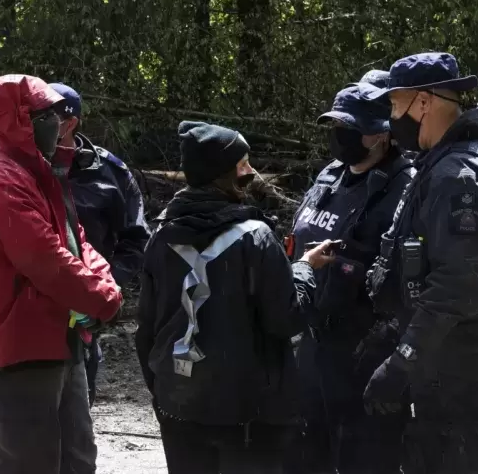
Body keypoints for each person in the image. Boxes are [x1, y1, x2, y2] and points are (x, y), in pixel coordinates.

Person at [0, 83, 152, 474]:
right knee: (28, 460)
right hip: (24, 343)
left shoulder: (45, 172)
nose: (57, 124)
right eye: (47, 116)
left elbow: (78, 241)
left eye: (59, 116)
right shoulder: (4, 177)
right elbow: (45, 258)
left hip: (64, 339)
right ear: (22, 122)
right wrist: (104, 299)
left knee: (77, 456)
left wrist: (108, 288)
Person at [135, 121, 333, 474]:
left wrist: (163, 390)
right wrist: (304, 269)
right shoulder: (255, 237)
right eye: (243, 165)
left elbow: (146, 329)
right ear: (220, 173)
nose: (251, 172)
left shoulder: (160, 234)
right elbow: (286, 318)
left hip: (178, 406)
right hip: (247, 416)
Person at [364, 52, 478, 474]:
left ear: (423, 103)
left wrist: (402, 361)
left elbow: (456, 286)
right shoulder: (462, 155)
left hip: (463, 357)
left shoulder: (459, 174)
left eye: (395, 105)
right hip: (457, 351)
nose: (391, 117)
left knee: (446, 458)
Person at [287, 83, 413, 474]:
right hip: (313, 343)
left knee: (365, 457)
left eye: (351, 126)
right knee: (305, 454)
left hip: (367, 349)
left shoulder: (408, 187)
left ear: (382, 133)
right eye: (336, 124)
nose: (340, 135)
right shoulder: (330, 176)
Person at [50, 82, 150, 405]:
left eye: (46, 118)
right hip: (33, 312)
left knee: (78, 413)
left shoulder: (110, 173)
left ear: (70, 123)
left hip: (85, 315)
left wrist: (104, 290)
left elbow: (136, 239)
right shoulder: (21, 168)